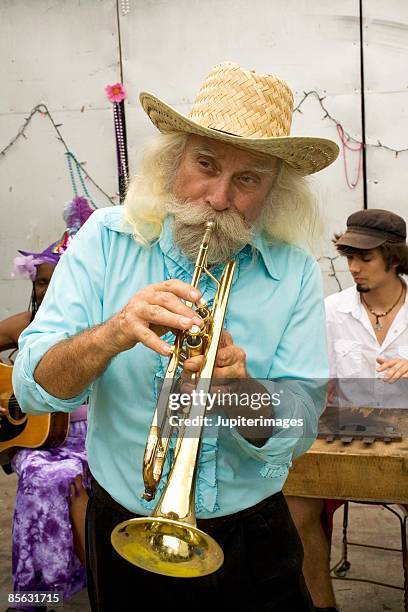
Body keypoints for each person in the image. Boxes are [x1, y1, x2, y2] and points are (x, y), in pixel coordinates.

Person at [13, 61, 339, 611]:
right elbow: (33, 389)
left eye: (248, 179)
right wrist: (114, 332)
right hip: (124, 522)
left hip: (252, 535)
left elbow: (301, 423)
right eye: (205, 164)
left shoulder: (298, 271)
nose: (217, 197)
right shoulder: (104, 239)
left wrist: (237, 390)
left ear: (274, 191)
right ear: (172, 161)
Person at [287, 208, 408, 612]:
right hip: (344, 436)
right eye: (349, 257)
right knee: (294, 504)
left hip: (404, 444)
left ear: (394, 258)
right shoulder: (330, 310)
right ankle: (323, 605)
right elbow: (313, 381)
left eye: (365, 258)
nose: (354, 267)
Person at [1, 198, 94, 612]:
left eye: (55, 279)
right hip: (40, 442)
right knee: (44, 475)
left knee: (69, 480)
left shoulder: (97, 327)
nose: (46, 288)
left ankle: (70, 584)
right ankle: (41, 591)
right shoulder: (26, 323)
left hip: (93, 437)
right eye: (39, 282)